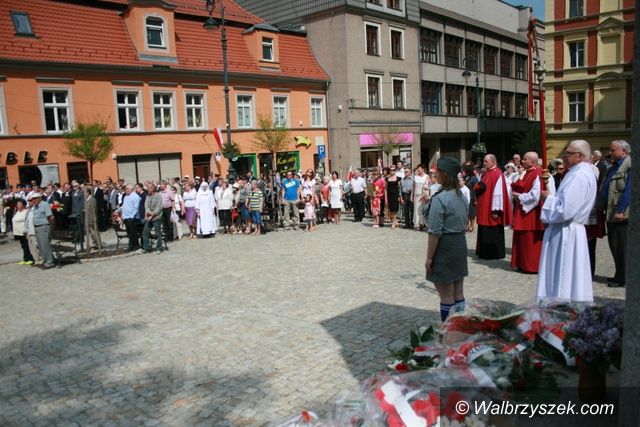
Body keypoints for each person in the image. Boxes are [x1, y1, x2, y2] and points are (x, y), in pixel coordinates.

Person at [536, 140, 597, 302]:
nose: (564, 156)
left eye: (568, 153)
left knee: (563, 272)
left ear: (580, 156)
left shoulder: (579, 175)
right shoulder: (579, 172)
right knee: (567, 272)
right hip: (569, 229)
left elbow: (565, 210)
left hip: (566, 231)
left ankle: (560, 305)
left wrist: (548, 198)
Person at [424, 157, 469, 322]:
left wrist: (429, 258)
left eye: (437, 172)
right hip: (460, 244)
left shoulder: (440, 198)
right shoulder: (461, 196)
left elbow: (434, 232)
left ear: (443, 174)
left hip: (445, 246)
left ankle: (448, 330)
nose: (435, 175)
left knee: (446, 295)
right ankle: (460, 327)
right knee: (458, 292)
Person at [599, 140, 631, 287]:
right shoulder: (613, 167)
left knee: (622, 246)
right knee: (614, 245)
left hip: (622, 215)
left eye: (613, 150)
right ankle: (619, 274)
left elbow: (629, 191)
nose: (610, 153)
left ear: (624, 151)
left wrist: (621, 210)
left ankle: (623, 277)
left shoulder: (629, 166)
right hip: (611, 212)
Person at [510, 152, 545, 273]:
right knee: (521, 240)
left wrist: (519, 196)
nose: (522, 161)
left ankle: (531, 266)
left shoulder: (538, 174)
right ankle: (521, 263)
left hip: (531, 212)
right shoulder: (526, 172)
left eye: (525, 159)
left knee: (529, 240)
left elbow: (536, 195)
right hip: (522, 209)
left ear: (532, 162)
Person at [475, 154, 512, 259]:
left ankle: (492, 253)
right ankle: (483, 251)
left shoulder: (497, 173)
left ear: (493, 162)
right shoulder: (486, 173)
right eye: (484, 161)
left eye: (486, 161)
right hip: (484, 206)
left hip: (491, 207)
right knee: (483, 228)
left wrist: (495, 210)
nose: (484, 163)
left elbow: (498, 193)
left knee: (492, 229)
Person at [29, 192, 55, 268]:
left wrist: (50, 227)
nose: (33, 200)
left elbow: (51, 217)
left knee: (45, 245)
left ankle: (49, 262)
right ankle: (45, 260)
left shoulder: (44, 204)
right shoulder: (35, 206)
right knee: (40, 245)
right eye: (32, 199)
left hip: (44, 226)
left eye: (34, 199)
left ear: (39, 198)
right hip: (37, 227)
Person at [12, 199, 35, 265]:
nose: (17, 205)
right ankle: (25, 258)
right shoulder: (18, 211)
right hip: (18, 232)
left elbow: (27, 222)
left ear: (24, 205)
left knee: (27, 246)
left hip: (24, 232)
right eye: (17, 204)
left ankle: (30, 259)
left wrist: (27, 231)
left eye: (19, 204)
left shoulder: (26, 211)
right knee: (23, 246)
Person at [142, 183, 164, 253]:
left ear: (152, 189)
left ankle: (159, 248)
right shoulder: (147, 196)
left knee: (158, 233)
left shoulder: (158, 196)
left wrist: (152, 215)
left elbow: (158, 207)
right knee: (145, 233)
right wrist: (148, 214)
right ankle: (147, 248)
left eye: (149, 188)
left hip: (156, 217)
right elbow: (146, 206)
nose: (147, 189)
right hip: (149, 217)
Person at [121, 184, 141, 251]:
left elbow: (136, 208)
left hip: (132, 217)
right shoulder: (126, 196)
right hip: (126, 217)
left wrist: (132, 216)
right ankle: (131, 245)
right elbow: (124, 206)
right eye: (125, 189)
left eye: (127, 188)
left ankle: (136, 245)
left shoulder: (135, 196)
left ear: (131, 189)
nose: (126, 190)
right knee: (129, 233)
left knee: (133, 232)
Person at [412, 164, 428, 231]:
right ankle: (417, 224)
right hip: (416, 195)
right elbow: (413, 187)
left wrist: (425, 194)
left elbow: (427, 186)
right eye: (418, 168)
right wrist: (412, 196)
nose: (418, 169)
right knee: (417, 210)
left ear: (423, 169)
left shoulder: (426, 176)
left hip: (423, 195)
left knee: (423, 209)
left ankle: (423, 224)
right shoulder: (415, 177)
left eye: (419, 168)